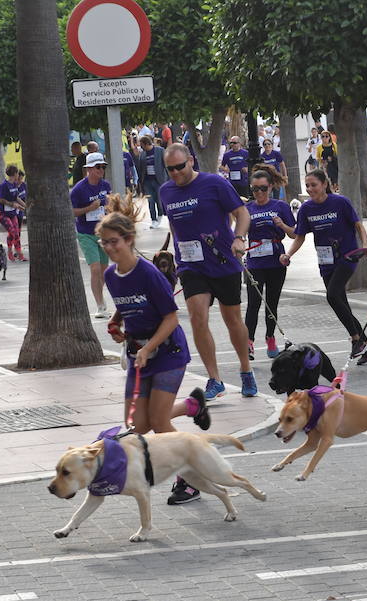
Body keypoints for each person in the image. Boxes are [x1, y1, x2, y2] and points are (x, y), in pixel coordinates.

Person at [97, 210, 211, 506]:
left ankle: (189, 480)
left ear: (129, 240)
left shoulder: (150, 274)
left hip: (168, 352)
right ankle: (192, 405)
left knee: (159, 422)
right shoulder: (111, 275)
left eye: (114, 242)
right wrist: (115, 322)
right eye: (104, 243)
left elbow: (171, 318)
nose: (109, 248)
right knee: (136, 424)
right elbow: (126, 304)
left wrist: (149, 348)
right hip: (139, 354)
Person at [159, 143, 257, 400]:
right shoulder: (165, 192)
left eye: (180, 166)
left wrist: (239, 238)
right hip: (191, 265)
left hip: (223, 260)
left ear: (191, 161)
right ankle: (215, 379)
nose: (176, 173)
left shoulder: (215, 184)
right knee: (197, 317)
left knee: (232, 319)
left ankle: (246, 370)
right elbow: (173, 222)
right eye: (170, 169)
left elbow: (242, 213)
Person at [281, 169, 367, 363]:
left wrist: (365, 245)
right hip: (325, 261)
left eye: (313, 185)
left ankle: (356, 339)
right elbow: (299, 237)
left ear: (325, 184)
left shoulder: (340, 202)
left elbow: (359, 226)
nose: (310, 189)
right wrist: (288, 254)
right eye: (307, 185)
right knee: (341, 302)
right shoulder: (306, 209)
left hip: (347, 256)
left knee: (332, 296)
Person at [244, 170, 296, 359]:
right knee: (253, 303)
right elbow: (239, 233)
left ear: (271, 187)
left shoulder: (280, 206)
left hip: (275, 261)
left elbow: (294, 234)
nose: (259, 193)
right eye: (255, 189)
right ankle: (248, 343)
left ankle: (270, 337)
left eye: (263, 189)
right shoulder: (247, 208)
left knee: (271, 303)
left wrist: (282, 225)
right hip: (254, 262)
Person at [70, 152, 112, 318]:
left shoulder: (106, 185)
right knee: (95, 269)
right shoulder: (79, 189)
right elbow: (71, 211)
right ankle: (100, 305)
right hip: (86, 233)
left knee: (103, 270)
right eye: (98, 167)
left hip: (103, 232)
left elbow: (109, 204)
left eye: (103, 167)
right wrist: (89, 208)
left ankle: (102, 299)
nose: (101, 170)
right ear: (88, 169)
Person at [0, 164, 26, 262]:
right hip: (2, 212)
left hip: (12, 212)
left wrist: (25, 206)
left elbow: (16, 197)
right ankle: (11, 252)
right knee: (12, 231)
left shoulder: (14, 184)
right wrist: (12, 204)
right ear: (14, 174)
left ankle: (19, 254)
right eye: (17, 173)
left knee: (16, 232)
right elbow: (0, 199)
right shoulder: (4, 185)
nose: (18, 176)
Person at [133, 135, 168, 229]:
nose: (141, 147)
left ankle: (160, 214)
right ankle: (153, 220)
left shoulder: (160, 151)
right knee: (150, 201)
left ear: (146, 144)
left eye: (141, 145)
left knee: (159, 200)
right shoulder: (142, 154)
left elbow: (166, 165)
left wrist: (168, 179)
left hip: (158, 180)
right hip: (147, 181)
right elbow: (140, 169)